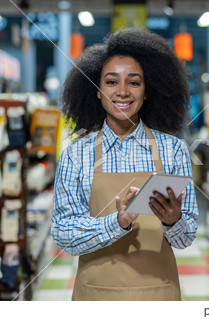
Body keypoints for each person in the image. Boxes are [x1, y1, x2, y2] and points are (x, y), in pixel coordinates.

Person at [52, 28, 199, 301]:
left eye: (134, 82)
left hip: (158, 296)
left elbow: (185, 239)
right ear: (96, 91)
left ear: (147, 91)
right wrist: (116, 224)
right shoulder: (75, 155)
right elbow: (62, 234)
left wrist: (174, 220)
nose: (122, 92)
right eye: (111, 82)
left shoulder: (174, 151)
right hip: (96, 296)